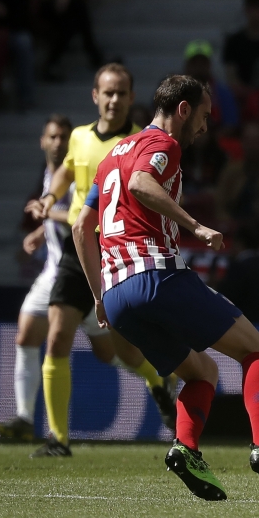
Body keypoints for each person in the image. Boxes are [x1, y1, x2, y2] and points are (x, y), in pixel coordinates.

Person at [74, 75, 259, 501]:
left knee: (202, 372)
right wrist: (195, 225)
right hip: (156, 275)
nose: (206, 128)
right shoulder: (163, 145)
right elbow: (139, 184)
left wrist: (98, 296)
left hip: (116, 298)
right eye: (204, 116)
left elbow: (82, 227)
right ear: (183, 110)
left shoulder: (111, 155)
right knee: (257, 350)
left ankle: (186, 450)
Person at [28, 64, 177, 458]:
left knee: (125, 351)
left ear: (131, 98)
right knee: (57, 336)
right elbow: (64, 172)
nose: (114, 100)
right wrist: (48, 198)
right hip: (78, 250)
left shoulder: (140, 141)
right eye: (107, 93)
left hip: (116, 252)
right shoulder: (79, 137)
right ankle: (58, 439)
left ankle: (158, 383)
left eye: (121, 93)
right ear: (95, 96)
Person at [0, 116, 102, 440]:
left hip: (80, 271)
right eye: (52, 137)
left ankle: (156, 378)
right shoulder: (48, 175)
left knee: (109, 352)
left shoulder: (76, 172)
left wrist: (46, 214)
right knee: (26, 335)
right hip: (54, 271)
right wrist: (42, 232)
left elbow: (81, 217)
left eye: (63, 137)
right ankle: (25, 418)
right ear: (42, 141)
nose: (57, 142)